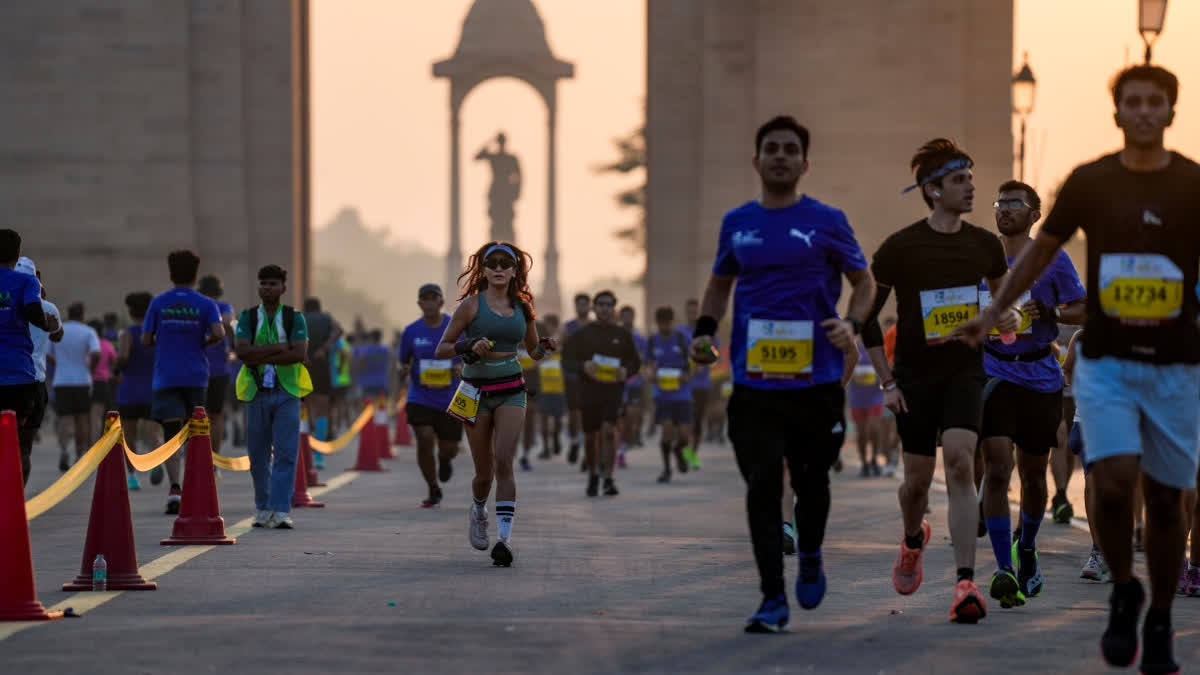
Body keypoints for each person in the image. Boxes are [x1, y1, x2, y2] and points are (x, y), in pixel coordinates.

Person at [955, 65, 1199, 673]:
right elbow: (1040, 251)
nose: (1144, 111)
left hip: (1175, 362)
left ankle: (1161, 618)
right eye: (1132, 102)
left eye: (1156, 102)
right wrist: (995, 313)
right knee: (1112, 486)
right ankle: (1124, 589)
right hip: (1108, 359)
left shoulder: (1193, 184)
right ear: (1116, 113)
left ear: (1171, 112)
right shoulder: (1090, 182)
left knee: (1168, 502)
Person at [690, 116, 874, 632]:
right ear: (756, 160)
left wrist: (852, 324)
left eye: (790, 150)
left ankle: (811, 550)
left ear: (804, 163)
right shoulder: (737, 222)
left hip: (816, 382)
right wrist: (703, 332)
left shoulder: (828, 220)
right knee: (762, 485)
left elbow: (864, 282)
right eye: (770, 148)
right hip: (754, 384)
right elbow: (719, 284)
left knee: (813, 482)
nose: (780, 156)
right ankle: (772, 597)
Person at [861, 138, 1020, 624]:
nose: (971, 187)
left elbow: (1001, 302)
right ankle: (913, 539)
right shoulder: (900, 247)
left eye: (972, 178)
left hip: (964, 373)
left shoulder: (984, 246)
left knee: (957, 465)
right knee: (914, 485)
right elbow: (866, 316)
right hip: (912, 378)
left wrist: (1006, 318)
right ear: (932, 190)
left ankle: (965, 584)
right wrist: (887, 382)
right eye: (959, 180)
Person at [974, 180, 1086, 610]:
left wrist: (1053, 313)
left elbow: (1083, 307)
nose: (1004, 209)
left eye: (1014, 203)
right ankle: (1003, 567)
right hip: (993, 371)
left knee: (1034, 473)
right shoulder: (983, 256)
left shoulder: (1052, 259)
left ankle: (1028, 545)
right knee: (999, 468)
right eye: (999, 202)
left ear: (1035, 214)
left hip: (1040, 373)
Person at [435, 241, 558, 567]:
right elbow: (442, 349)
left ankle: (504, 539)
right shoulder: (471, 307)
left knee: (504, 459)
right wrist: (469, 345)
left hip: (511, 390)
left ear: (515, 270)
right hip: (474, 392)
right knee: (484, 473)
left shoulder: (523, 308)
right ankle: (478, 509)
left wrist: (546, 348)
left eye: (507, 263)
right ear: (484, 269)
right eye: (494, 263)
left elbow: (532, 352)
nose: (500, 268)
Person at [143, 249, 224, 514]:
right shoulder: (206, 304)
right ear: (195, 275)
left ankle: (174, 489)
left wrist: (165, 342)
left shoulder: (158, 303)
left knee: (170, 432)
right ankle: (192, 487)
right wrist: (203, 341)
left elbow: (145, 340)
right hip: (196, 374)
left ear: (171, 273)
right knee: (194, 433)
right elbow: (219, 333)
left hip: (166, 375)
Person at [234, 264, 311, 529]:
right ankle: (262, 507)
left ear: (283, 288)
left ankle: (280, 510)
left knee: (286, 453)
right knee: (257, 455)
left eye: (273, 284)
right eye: (263, 283)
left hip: (288, 391)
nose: (267, 288)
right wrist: (280, 348)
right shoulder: (247, 317)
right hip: (256, 390)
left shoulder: (294, 318)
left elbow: (299, 354)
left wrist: (260, 352)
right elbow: (242, 353)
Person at [562, 290, 642, 497]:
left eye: (609, 305)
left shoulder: (623, 335)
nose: (605, 308)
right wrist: (583, 366)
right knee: (590, 438)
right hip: (588, 391)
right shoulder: (582, 334)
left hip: (613, 391)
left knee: (608, 432)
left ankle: (608, 477)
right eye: (600, 304)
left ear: (613, 308)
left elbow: (635, 362)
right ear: (593, 308)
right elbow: (566, 360)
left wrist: (627, 370)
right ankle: (592, 475)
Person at [398, 283, 462, 508]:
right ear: (419, 304)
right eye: (424, 299)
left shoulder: (454, 328)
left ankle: (444, 459)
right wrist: (402, 370)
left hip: (450, 398)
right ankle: (433, 487)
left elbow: (469, 355)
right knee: (424, 438)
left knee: (450, 448)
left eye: (433, 298)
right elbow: (403, 361)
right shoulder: (411, 332)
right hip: (420, 396)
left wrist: (462, 366)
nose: (429, 303)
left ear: (441, 302)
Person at [0, 231, 54, 485]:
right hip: (18, 373)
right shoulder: (26, 282)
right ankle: (13, 501)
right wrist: (47, 323)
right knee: (16, 439)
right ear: (17, 254)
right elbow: (34, 311)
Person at [11, 256, 60, 485]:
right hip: (34, 381)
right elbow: (57, 334)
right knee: (24, 447)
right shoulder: (48, 308)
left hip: (6, 375)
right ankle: (18, 502)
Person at [49, 302, 99, 470]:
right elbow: (96, 353)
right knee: (82, 419)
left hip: (61, 381)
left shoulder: (58, 330)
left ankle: (64, 450)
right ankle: (80, 454)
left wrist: (59, 364)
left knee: (64, 418)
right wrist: (90, 369)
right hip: (82, 381)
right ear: (82, 315)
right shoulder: (88, 331)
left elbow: (48, 354)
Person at [645, 306, 691, 483]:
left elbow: (709, 354)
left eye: (668, 323)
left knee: (685, 435)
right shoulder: (652, 341)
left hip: (683, 395)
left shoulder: (682, 338)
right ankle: (666, 469)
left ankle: (679, 451)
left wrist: (691, 372)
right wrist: (650, 374)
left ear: (673, 322)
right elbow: (647, 366)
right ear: (657, 323)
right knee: (667, 431)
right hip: (662, 395)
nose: (665, 326)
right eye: (662, 323)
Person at [115, 292, 156, 490]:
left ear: (130, 311)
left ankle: (132, 476)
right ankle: (157, 463)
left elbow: (123, 357)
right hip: (152, 389)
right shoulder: (156, 333)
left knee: (129, 435)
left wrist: (115, 367)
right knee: (153, 433)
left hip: (129, 390)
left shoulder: (127, 333)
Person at [302, 297, 343, 469]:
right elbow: (339, 330)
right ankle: (318, 455)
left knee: (305, 406)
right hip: (321, 363)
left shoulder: (300, 318)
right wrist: (325, 348)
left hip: (303, 363)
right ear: (319, 308)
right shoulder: (326, 318)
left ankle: (303, 451)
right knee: (323, 408)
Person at [197, 275, 235, 457]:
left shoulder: (196, 306)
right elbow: (228, 322)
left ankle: (197, 457)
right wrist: (233, 343)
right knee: (216, 415)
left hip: (197, 367)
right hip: (219, 368)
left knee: (195, 416)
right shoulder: (224, 307)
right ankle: (214, 459)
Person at [678, 298, 714, 469]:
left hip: (701, 385)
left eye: (695, 311)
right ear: (686, 312)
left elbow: (714, 356)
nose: (692, 314)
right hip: (683, 384)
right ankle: (685, 452)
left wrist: (705, 358)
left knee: (698, 422)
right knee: (684, 423)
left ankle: (693, 454)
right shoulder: (679, 332)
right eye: (690, 311)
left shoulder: (705, 332)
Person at [847, 339, 884, 477]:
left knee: (874, 428)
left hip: (875, 396)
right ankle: (864, 463)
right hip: (857, 398)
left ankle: (874, 459)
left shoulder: (875, 347)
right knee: (861, 433)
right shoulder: (851, 347)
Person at [563, 293, 590, 463]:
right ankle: (574, 441)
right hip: (572, 376)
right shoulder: (567, 327)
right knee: (574, 414)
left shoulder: (595, 327)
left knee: (588, 414)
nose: (582, 308)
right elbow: (556, 343)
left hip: (591, 377)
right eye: (579, 304)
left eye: (585, 305)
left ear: (590, 307)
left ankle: (588, 450)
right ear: (575, 306)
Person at [617, 305, 646, 468]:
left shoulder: (640, 339)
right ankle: (619, 451)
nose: (628, 319)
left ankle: (624, 447)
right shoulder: (615, 336)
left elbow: (647, 360)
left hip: (635, 383)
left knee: (630, 420)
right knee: (618, 421)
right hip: (618, 384)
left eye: (630, 316)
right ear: (621, 318)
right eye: (625, 316)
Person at [536, 314, 566, 459]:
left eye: (551, 325)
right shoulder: (539, 344)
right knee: (544, 417)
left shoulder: (561, 345)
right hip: (544, 386)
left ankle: (556, 437)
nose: (548, 328)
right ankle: (546, 447)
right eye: (546, 325)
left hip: (559, 387)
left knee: (558, 419)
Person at [87, 318, 117, 440]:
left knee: (88, 418)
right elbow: (116, 363)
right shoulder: (107, 345)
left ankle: (89, 446)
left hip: (85, 383)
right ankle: (97, 448)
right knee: (97, 417)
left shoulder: (87, 344)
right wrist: (111, 374)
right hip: (102, 383)